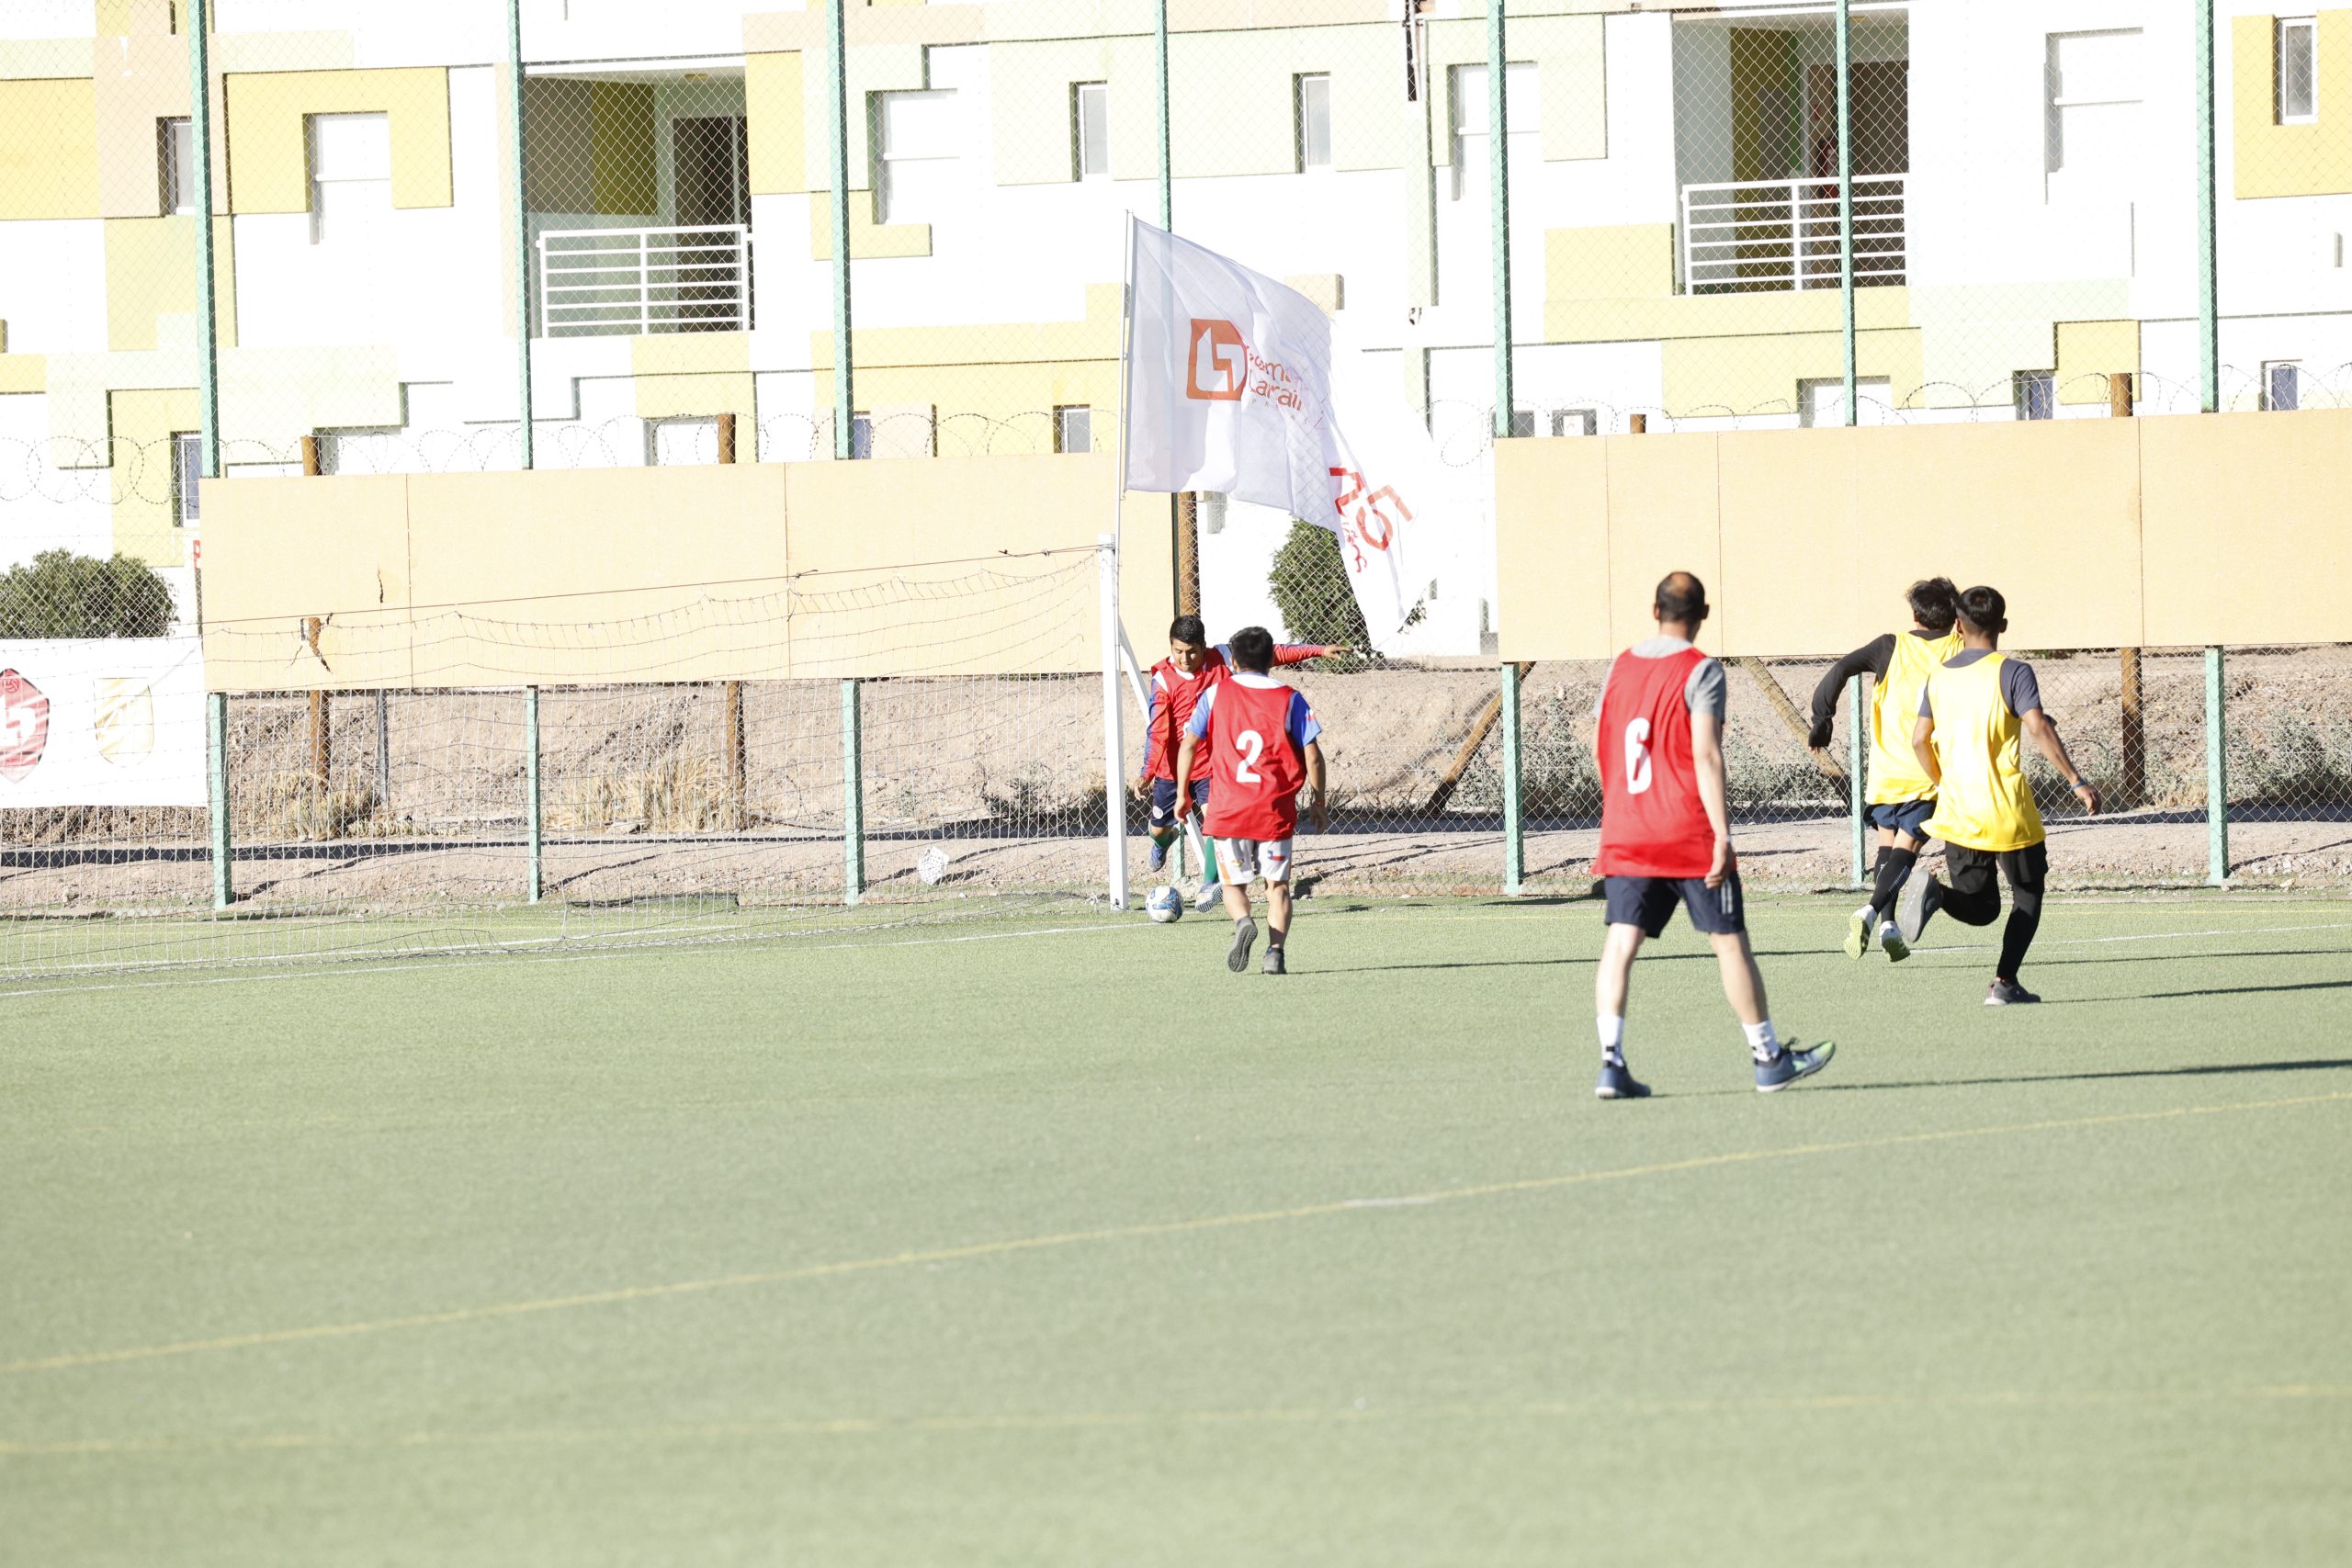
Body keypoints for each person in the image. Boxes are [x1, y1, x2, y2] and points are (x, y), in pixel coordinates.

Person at [1590, 571, 1835, 1100]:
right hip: (1686, 832)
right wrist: (1723, 835)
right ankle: (1767, 1058)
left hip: (1628, 832)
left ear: (1654, 611)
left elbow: (1600, 745)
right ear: (1703, 615)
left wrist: (1624, 810)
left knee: (1621, 943)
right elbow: (1705, 753)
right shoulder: (1702, 669)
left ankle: (1610, 1063)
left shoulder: (1620, 666)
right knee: (1728, 944)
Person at [1898, 584, 2100, 1006]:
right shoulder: (2013, 672)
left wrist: (1942, 783)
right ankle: (2005, 982)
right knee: (2027, 894)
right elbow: (2037, 726)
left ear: (1958, 625)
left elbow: (1919, 739)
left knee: (1982, 907)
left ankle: (1937, 894)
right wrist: (2075, 780)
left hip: (1958, 811)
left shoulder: (1938, 676)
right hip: (2006, 809)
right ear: (2003, 625)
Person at [1133, 615, 1343, 905]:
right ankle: (1162, 841)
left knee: (1216, 822)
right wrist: (1147, 773)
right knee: (1159, 828)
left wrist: (1318, 650)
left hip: (1212, 764)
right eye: (1178, 651)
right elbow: (1157, 732)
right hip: (1174, 768)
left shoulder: (1222, 657)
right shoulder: (1163, 679)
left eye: (1191, 652)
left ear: (1203, 646)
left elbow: (1272, 654)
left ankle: (1209, 886)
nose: (1185, 659)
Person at [1806, 577, 1962, 963]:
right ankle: (1870, 911)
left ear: (1915, 615)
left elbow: (1841, 668)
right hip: (1928, 772)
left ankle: (1888, 927)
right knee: (1906, 853)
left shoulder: (1890, 646)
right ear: (1954, 616)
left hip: (1885, 771)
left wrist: (1822, 719)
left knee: (1887, 848)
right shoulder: (1959, 647)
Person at [1171, 626, 1327, 976]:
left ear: (1233, 662)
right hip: (1273, 810)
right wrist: (1318, 801)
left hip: (1229, 809)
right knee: (1278, 887)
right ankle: (1275, 953)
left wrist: (1182, 794)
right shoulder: (1291, 698)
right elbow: (1314, 757)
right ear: (1271, 659)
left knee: (1233, 885)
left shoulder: (1214, 694)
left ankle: (1243, 921)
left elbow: (1189, 744)